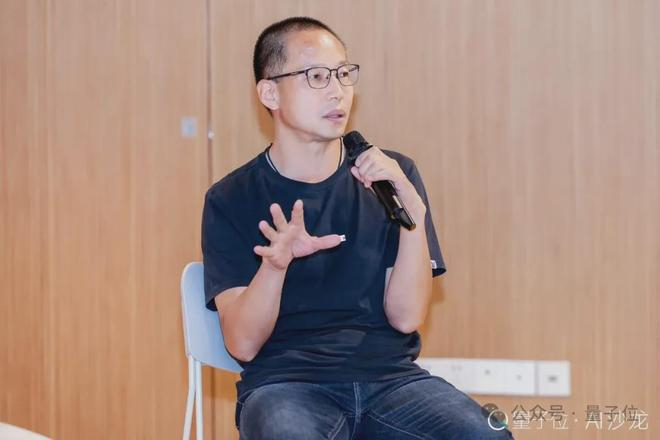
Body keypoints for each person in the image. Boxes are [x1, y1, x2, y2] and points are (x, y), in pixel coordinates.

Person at [202, 16, 514, 440]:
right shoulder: (231, 198)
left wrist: (414, 217)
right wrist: (274, 267)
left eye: (344, 74)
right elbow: (242, 344)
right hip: (286, 385)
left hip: (391, 380)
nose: (337, 90)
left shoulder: (389, 176)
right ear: (270, 92)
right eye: (316, 76)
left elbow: (406, 317)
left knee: (486, 434)